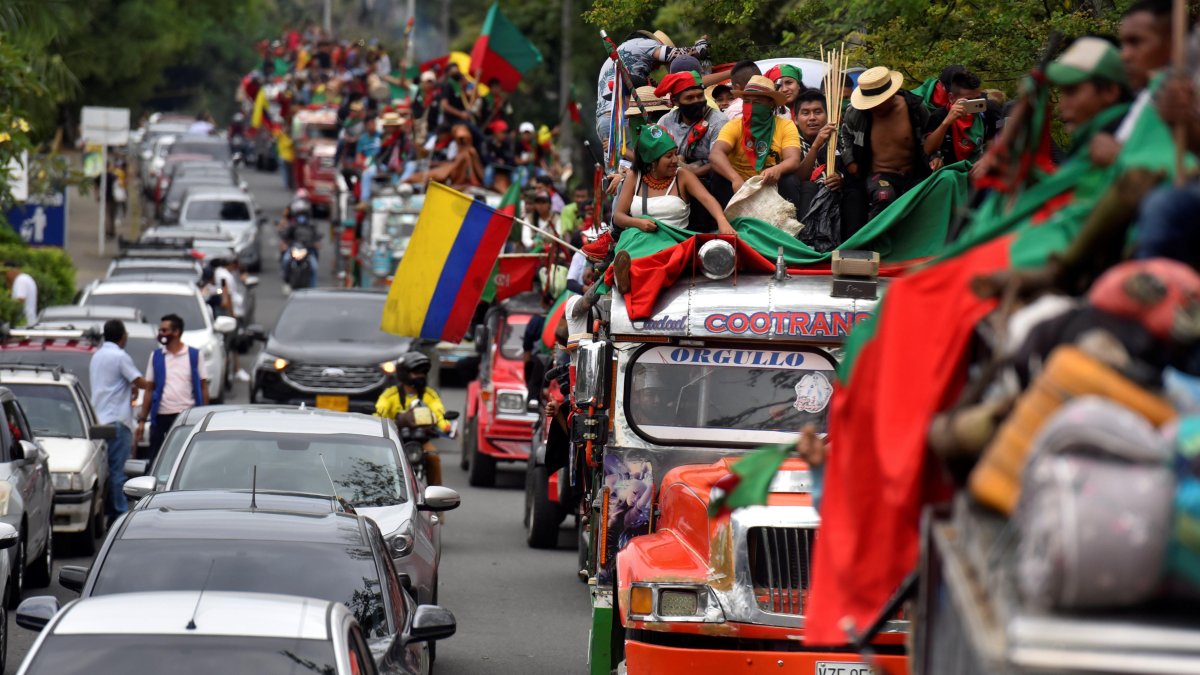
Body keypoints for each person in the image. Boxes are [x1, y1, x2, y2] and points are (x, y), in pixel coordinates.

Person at [594, 31, 708, 159]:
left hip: (604, 119)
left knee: (617, 172)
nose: (659, 67)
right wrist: (699, 48)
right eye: (662, 62)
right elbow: (678, 54)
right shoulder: (646, 44)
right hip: (626, 116)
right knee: (638, 165)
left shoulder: (619, 52)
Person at [839, 65, 931, 221]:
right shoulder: (855, 113)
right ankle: (875, 241)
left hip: (914, 172)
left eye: (878, 102)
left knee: (929, 199)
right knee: (884, 198)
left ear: (891, 95)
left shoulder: (914, 108)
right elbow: (845, 134)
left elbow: (930, 135)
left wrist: (935, 157)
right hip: (879, 175)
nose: (874, 107)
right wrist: (850, 161)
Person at [614, 124, 735, 235]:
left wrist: (722, 221)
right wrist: (637, 223)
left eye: (675, 154)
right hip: (639, 240)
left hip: (674, 243)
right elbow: (618, 217)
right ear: (652, 161)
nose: (675, 160)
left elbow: (707, 199)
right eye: (668, 156)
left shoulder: (682, 176)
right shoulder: (635, 176)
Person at [709, 76, 804, 209]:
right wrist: (735, 179)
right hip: (738, 185)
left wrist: (778, 169)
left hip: (770, 184)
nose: (751, 107)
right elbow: (716, 154)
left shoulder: (785, 126)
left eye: (757, 102)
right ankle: (727, 222)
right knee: (717, 176)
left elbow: (793, 159)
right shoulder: (734, 125)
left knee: (790, 180)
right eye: (747, 101)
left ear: (770, 104)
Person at [89, 320, 150, 523]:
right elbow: (140, 382)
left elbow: (114, 384)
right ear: (122, 336)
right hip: (117, 421)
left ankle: (107, 512)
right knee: (117, 472)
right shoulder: (120, 356)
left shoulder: (97, 355)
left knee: (104, 470)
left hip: (98, 421)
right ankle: (120, 516)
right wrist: (157, 382)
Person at [136, 314, 209, 465]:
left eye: (164, 330)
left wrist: (205, 414)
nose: (161, 334)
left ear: (176, 332)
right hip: (161, 416)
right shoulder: (156, 356)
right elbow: (149, 389)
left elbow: (203, 386)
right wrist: (142, 420)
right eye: (160, 330)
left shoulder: (194, 355)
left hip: (186, 416)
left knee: (185, 459)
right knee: (156, 458)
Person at [374, 352, 450, 486]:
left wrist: (446, 427)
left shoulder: (429, 395)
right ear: (404, 374)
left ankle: (437, 495)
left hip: (421, 441)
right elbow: (380, 411)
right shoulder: (390, 395)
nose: (420, 376)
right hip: (396, 441)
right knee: (379, 460)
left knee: (434, 457)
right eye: (416, 373)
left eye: (423, 373)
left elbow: (439, 413)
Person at [655, 70, 730, 180]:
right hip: (673, 178)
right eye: (689, 98)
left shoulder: (718, 121)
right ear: (675, 101)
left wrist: (692, 173)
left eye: (700, 96)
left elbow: (720, 161)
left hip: (709, 181)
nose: (697, 101)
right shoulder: (666, 121)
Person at [923, 69, 998, 168]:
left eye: (977, 98)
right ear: (951, 98)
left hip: (979, 169)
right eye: (968, 100)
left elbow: (992, 142)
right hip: (951, 171)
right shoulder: (940, 115)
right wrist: (946, 122)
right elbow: (928, 149)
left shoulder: (986, 111)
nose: (974, 104)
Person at [213, 258, 250, 383]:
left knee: (230, 344)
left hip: (226, 313)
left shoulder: (219, 273)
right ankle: (234, 370)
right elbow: (227, 295)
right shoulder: (226, 276)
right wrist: (232, 314)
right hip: (230, 313)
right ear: (232, 264)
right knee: (231, 344)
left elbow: (220, 290)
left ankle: (235, 369)